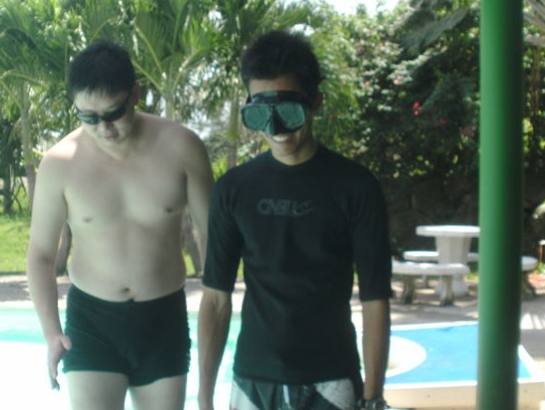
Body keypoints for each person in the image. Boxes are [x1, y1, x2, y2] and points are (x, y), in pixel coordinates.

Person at [197, 30, 392, 410]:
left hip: (331, 380)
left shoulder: (355, 187)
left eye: (289, 112)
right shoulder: (234, 189)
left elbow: (375, 299)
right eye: (261, 114)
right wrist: (205, 399)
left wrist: (373, 397)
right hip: (253, 379)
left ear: (315, 101)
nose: (277, 129)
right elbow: (216, 299)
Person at [26, 40, 214, 410]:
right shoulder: (60, 163)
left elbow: (212, 237)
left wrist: (216, 306)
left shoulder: (182, 147)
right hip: (92, 322)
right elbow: (41, 254)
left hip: (163, 319)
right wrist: (51, 333)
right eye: (89, 117)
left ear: (135, 94)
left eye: (114, 112)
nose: (104, 127)